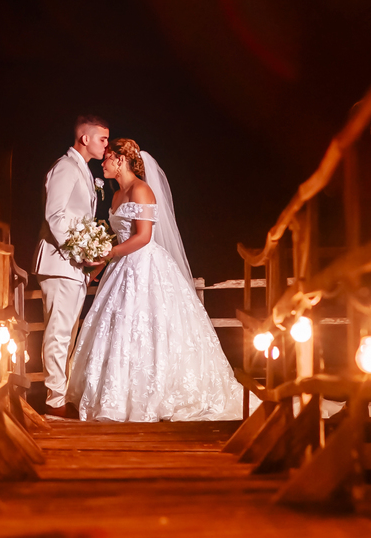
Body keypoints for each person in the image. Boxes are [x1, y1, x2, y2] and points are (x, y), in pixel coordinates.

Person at [66, 139, 243, 422]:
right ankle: (117, 395)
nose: (104, 162)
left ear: (121, 160)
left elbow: (144, 236)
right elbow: (119, 235)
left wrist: (110, 252)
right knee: (119, 328)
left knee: (151, 327)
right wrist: (97, 266)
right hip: (122, 267)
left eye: (108, 157)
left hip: (146, 265)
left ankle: (158, 395)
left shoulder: (141, 190)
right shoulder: (115, 195)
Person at [32, 115, 108, 418]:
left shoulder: (83, 170)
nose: (106, 144)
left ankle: (61, 397)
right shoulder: (65, 167)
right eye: (102, 138)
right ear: (85, 138)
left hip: (73, 265)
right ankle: (54, 403)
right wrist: (81, 253)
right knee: (59, 333)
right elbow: (56, 216)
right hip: (60, 262)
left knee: (68, 334)